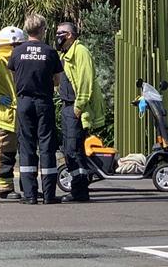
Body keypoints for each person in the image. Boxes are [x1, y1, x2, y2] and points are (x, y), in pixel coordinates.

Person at [8, 14, 63, 205]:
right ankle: (49, 194)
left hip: (24, 102)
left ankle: (30, 195)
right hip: (43, 101)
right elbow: (57, 80)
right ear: (42, 30)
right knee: (47, 145)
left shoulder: (17, 52)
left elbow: (14, 75)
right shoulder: (49, 52)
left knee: (27, 146)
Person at [55, 22, 106, 203]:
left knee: (74, 149)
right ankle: (78, 188)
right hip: (67, 106)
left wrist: (79, 106)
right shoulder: (66, 54)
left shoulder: (80, 51)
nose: (57, 36)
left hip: (76, 107)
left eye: (61, 33)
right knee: (70, 150)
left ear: (70, 35)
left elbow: (86, 80)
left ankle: (80, 191)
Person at [0, 26, 27, 200]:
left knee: (9, 152)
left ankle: (13, 186)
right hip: (4, 115)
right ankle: (4, 188)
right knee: (5, 153)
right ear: (14, 45)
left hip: (12, 115)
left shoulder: (12, 60)